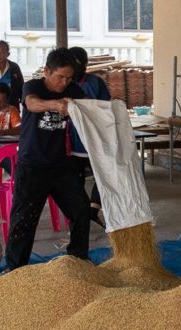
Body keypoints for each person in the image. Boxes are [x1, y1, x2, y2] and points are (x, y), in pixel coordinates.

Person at [4, 47, 90, 271]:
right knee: (24, 220)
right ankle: (15, 271)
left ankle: (78, 261)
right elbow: (32, 103)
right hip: (32, 165)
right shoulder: (33, 86)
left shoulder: (74, 91)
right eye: (60, 77)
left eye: (69, 78)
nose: (64, 82)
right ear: (47, 71)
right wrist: (55, 104)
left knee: (81, 210)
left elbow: (89, 111)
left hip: (62, 166)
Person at [69, 46, 111, 229]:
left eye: (78, 64)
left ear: (85, 65)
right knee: (74, 182)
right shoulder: (64, 84)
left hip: (94, 139)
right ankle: (81, 215)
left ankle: (93, 209)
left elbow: (107, 109)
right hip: (71, 140)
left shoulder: (96, 83)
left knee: (104, 175)